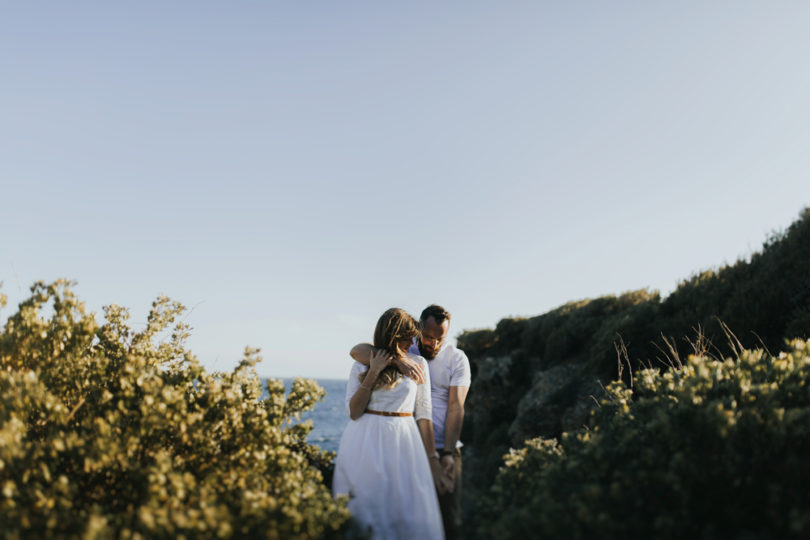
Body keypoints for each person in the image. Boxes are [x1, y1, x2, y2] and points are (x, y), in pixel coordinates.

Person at [350, 305, 471, 540]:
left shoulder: (457, 358)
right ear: (419, 330)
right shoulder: (408, 348)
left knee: (448, 518)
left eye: (440, 339)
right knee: (409, 517)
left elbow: (456, 408)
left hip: (444, 447)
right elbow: (357, 351)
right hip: (409, 447)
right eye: (428, 337)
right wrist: (398, 360)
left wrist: (446, 452)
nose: (433, 344)